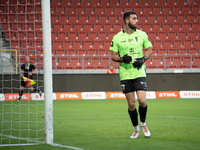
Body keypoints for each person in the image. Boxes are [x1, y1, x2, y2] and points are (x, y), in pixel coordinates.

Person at [110, 11, 152, 138]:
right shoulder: (117, 37)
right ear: (127, 21)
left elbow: (149, 50)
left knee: (142, 100)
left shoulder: (142, 34)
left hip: (139, 72)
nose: (137, 21)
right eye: (134, 19)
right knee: (131, 104)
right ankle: (136, 128)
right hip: (125, 74)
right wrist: (121, 59)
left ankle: (143, 124)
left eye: (137, 18)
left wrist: (143, 59)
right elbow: (113, 56)